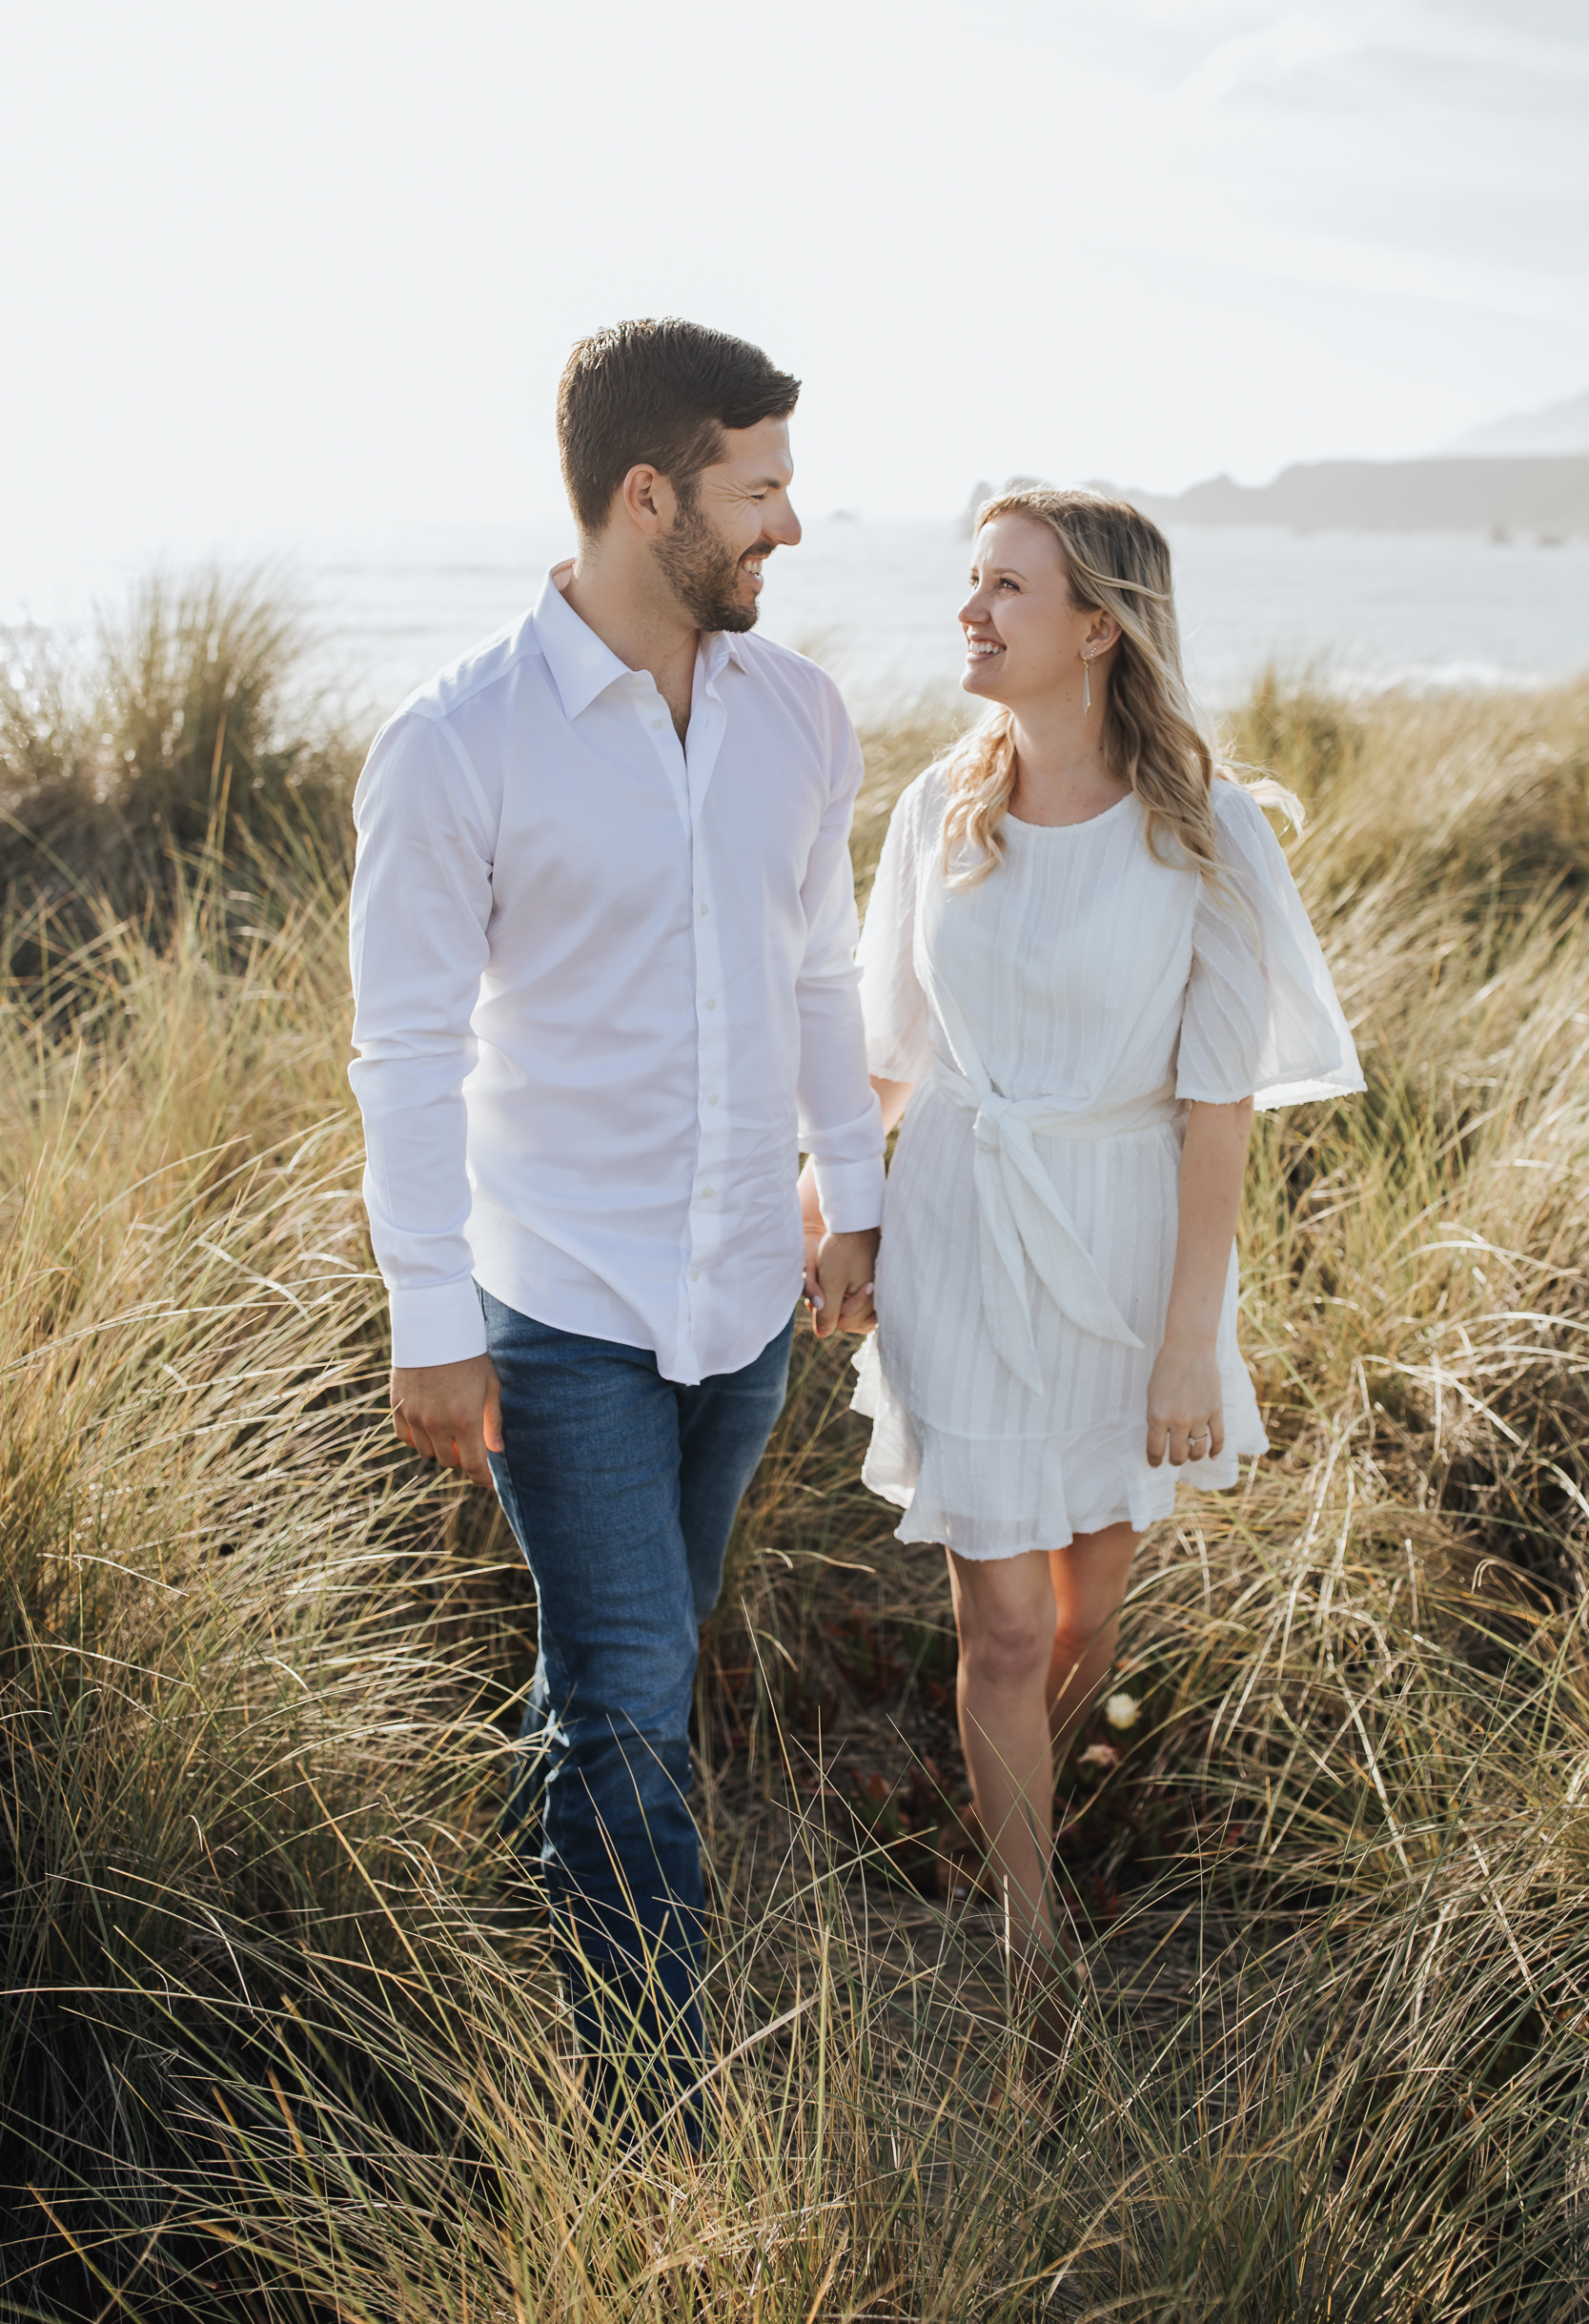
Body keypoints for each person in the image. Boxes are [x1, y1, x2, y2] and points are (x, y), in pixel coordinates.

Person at [347, 318, 884, 2127]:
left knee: (615, 1677)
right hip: (557, 1300)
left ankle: (516, 1902)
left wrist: (853, 1205)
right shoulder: (455, 746)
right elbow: (407, 1052)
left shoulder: (800, 719)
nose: (790, 527)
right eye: (762, 491)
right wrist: (431, 1315)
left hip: (745, 1300)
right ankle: (652, 2119)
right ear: (647, 499)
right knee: (635, 1699)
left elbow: (818, 978)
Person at [800, 488, 1362, 2049]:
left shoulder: (1205, 827)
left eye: (1009, 589)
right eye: (969, 582)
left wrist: (1191, 1346)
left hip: (1125, 1241)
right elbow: (887, 1058)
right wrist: (837, 1205)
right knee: (997, 1626)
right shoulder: (936, 810)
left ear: (1100, 626)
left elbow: (1217, 1106)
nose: (970, 612)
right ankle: (1028, 1935)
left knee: (1082, 1629)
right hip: (966, 1227)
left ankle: (1021, 1801)